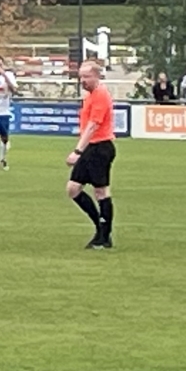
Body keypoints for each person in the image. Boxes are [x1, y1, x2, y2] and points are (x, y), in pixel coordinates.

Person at [66, 60, 118, 249]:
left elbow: (93, 125)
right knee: (73, 189)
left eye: (87, 76)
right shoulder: (90, 96)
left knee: (101, 191)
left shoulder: (101, 96)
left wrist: (77, 151)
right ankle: (100, 229)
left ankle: (104, 236)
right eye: (81, 76)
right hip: (91, 148)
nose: (83, 80)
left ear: (97, 76)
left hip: (100, 148)